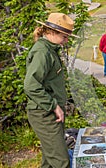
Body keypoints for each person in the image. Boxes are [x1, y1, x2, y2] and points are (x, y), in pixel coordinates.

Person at [24, 13, 74, 168]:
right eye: (64, 37)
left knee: (50, 160)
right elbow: (31, 85)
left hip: (50, 114)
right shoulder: (42, 52)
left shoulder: (50, 49)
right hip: (44, 114)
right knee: (61, 161)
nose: (66, 41)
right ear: (52, 32)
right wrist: (53, 106)